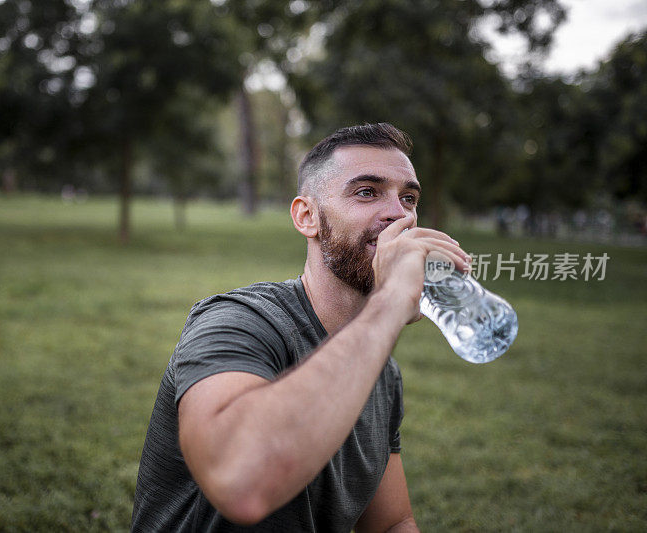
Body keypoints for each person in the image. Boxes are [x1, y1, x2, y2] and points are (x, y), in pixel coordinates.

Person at [131, 123, 471, 532]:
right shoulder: (238, 322)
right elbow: (240, 483)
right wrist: (390, 303)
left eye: (409, 198)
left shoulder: (381, 371)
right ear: (306, 216)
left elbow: (391, 523)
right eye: (367, 192)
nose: (400, 214)